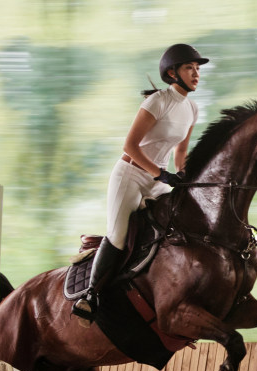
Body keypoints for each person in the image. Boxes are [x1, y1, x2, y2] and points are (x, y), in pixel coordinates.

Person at [72, 43, 208, 322]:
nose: (196, 74)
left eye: (197, 69)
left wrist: (185, 177)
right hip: (130, 175)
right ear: (172, 73)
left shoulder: (192, 108)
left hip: (157, 180)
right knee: (118, 236)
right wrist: (161, 174)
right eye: (188, 68)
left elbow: (180, 153)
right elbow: (131, 145)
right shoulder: (158, 101)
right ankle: (90, 295)